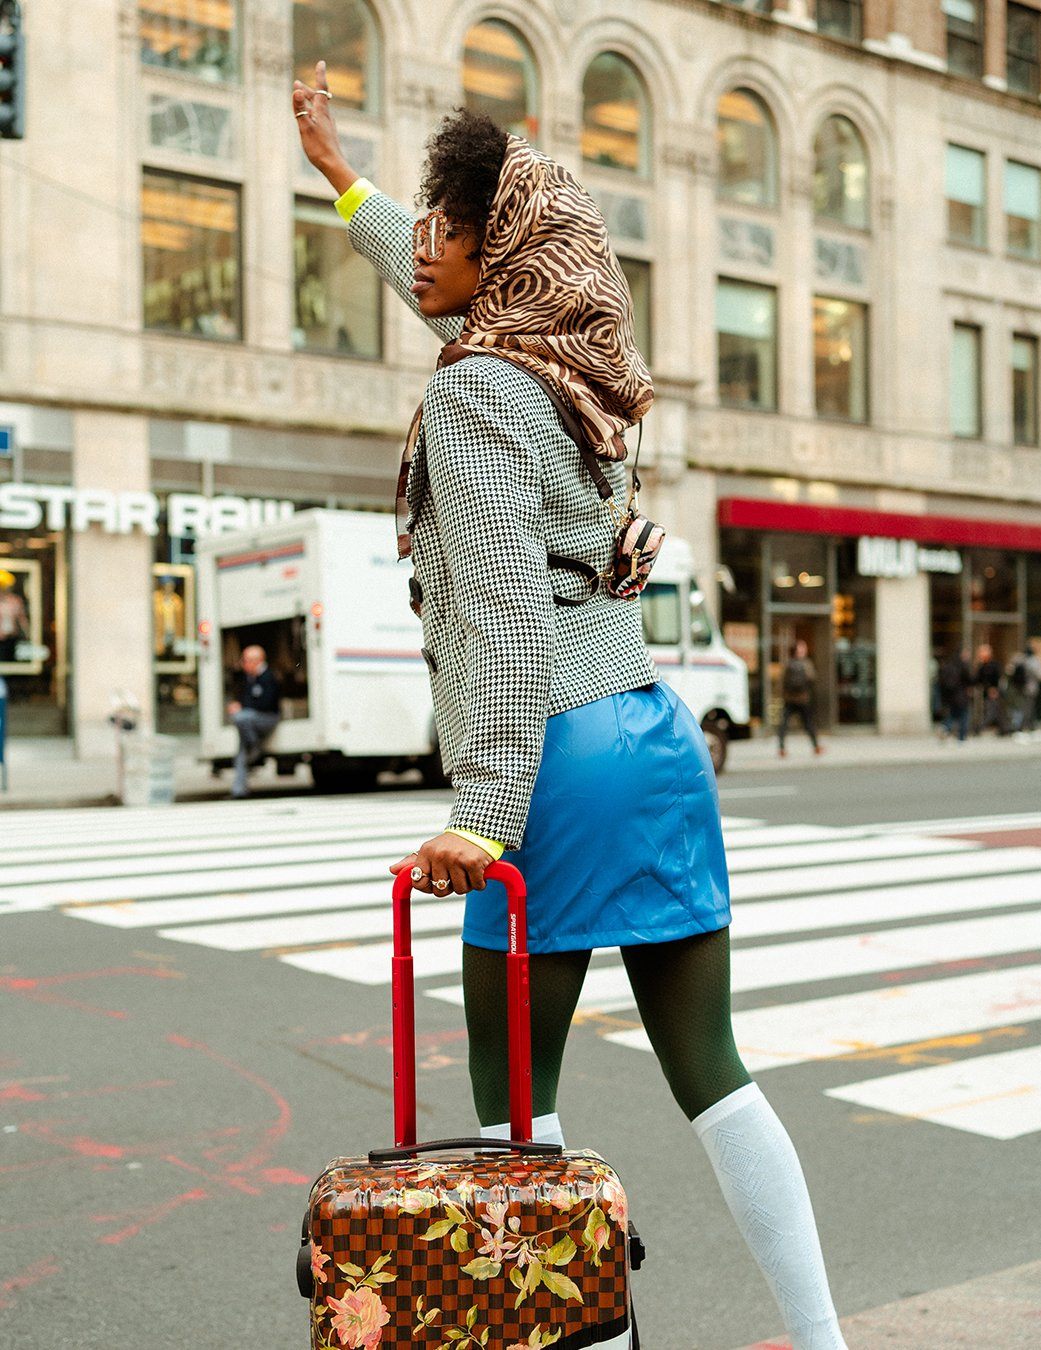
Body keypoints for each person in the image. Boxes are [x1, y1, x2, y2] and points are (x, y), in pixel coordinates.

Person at [294, 66, 848, 1350]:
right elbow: (439, 280)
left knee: (509, 1133)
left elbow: (497, 615)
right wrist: (341, 175)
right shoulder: (563, 372)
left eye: (444, 222)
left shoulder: (474, 390)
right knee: (713, 1071)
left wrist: (482, 815)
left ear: (502, 257)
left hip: (552, 755)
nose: (420, 242)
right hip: (649, 739)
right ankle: (823, 1342)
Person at [226, 645, 280, 799]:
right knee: (242, 753)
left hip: (266, 718)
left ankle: (255, 745)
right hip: (251, 722)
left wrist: (242, 707)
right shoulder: (248, 679)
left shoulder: (269, 677)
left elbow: (267, 704)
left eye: (247, 660)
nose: (244, 664)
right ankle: (239, 790)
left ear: (258, 661)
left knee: (240, 717)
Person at [777, 639, 822, 758]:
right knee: (808, 724)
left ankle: (781, 748)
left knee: (784, 724)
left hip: (789, 699)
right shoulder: (806, 663)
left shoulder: (788, 663)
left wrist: (783, 694)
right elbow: (812, 678)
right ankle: (816, 746)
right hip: (803, 699)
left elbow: (782, 681)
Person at [937, 647, 973, 742]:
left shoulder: (948, 665)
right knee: (964, 716)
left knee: (953, 715)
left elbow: (942, 682)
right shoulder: (962, 666)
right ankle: (961, 736)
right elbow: (969, 680)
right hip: (961, 695)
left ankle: (945, 728)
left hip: (951, 696)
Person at [1017, 642, 1041, 736]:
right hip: (1030, 688)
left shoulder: (1022, 660)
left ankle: (1032, 727)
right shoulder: (1033, 661)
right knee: (1028, 708)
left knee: (1029, 707)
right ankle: (1021, 727)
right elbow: (1039, 674)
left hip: (1024, 687)